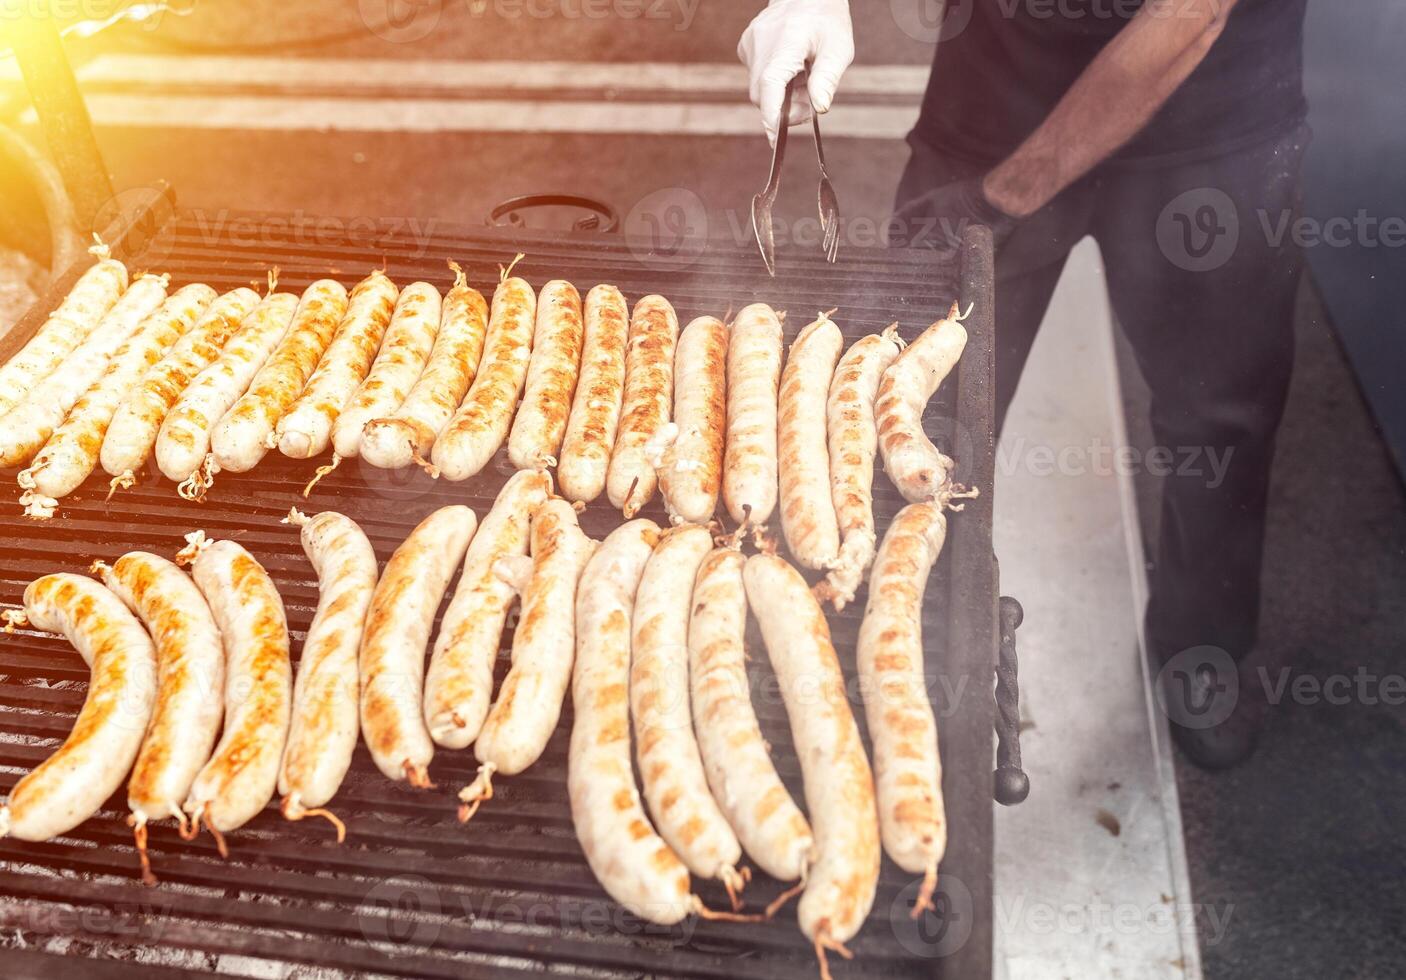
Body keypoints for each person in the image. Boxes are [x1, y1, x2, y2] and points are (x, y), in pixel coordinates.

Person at [739, 0, 1311, 769]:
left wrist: (999, 198)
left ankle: (1202, 643)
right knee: (906, 408)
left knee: (1222, 422)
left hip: (1210, 118)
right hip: (997, 85)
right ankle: (884, 650)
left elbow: (1192, 14)